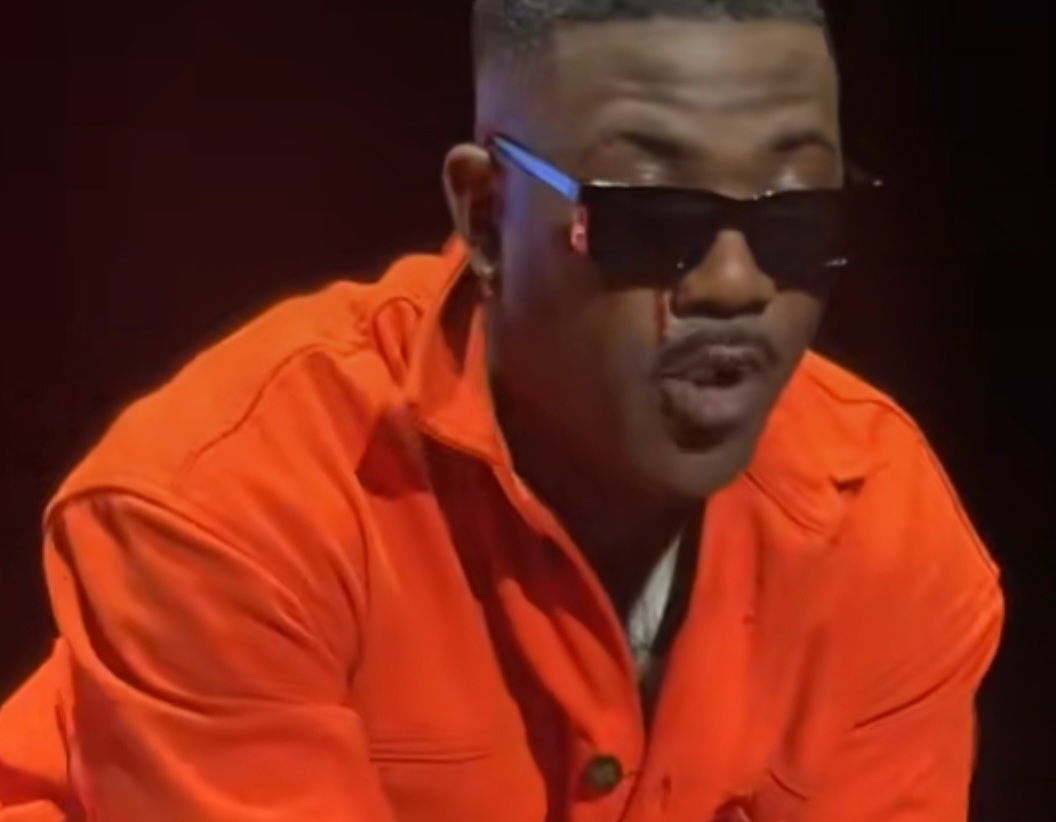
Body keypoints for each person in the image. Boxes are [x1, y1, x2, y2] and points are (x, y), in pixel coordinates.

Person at [0, 1, 1003, 820]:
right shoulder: (226, 507)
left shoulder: (883, 527)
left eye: (796, 215)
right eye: (650, 215)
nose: (735, 285)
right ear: (487, 217)